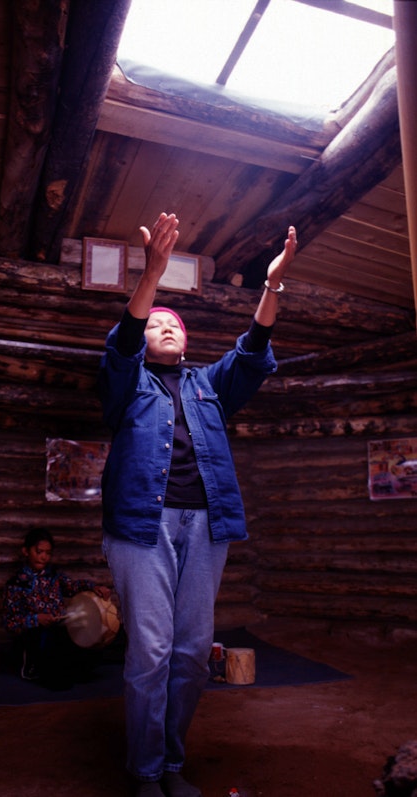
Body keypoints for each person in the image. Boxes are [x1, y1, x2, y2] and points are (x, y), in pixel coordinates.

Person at [98, 212, 297, 797]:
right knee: (151, 652)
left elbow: (254, 349)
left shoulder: (210, 384)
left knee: (189, 654)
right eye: (154, 321)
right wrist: (152, 277)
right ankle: (143, 774)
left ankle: (171, 766)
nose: (163, 326)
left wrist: (272, 285)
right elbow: (122, 344)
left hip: (208, 527)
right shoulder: (125, 384)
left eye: (172, 323)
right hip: (141, 527)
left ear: (186, 341)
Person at [3, 527, 110, 688]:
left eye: (48, 553)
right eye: (39, 552)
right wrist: (36, 619)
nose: (44, 557)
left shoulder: (54, 575)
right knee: (59, 681)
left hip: (60, 630)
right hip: (36, 636)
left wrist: (93, 587)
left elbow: (72, 586)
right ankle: (37, 665)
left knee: (92, 655)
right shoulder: (16, 584)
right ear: (26, 551)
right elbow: (10, 622)